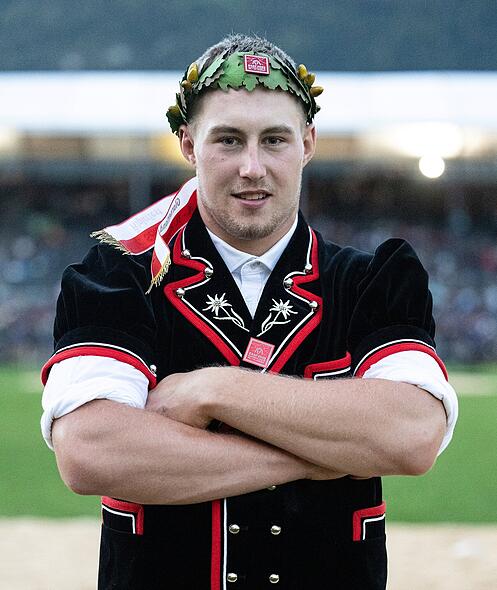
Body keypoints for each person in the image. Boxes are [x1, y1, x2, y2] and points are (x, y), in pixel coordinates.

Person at [41, 34, 458, 589]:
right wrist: (326, 454)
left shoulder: (374, 279)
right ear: (189, 145)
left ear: (308, 143)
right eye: (229, 140)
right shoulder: (118, 274)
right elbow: (91, 451)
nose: (253, 167)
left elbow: (412, 435)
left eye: (275, 140)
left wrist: (210, 390)